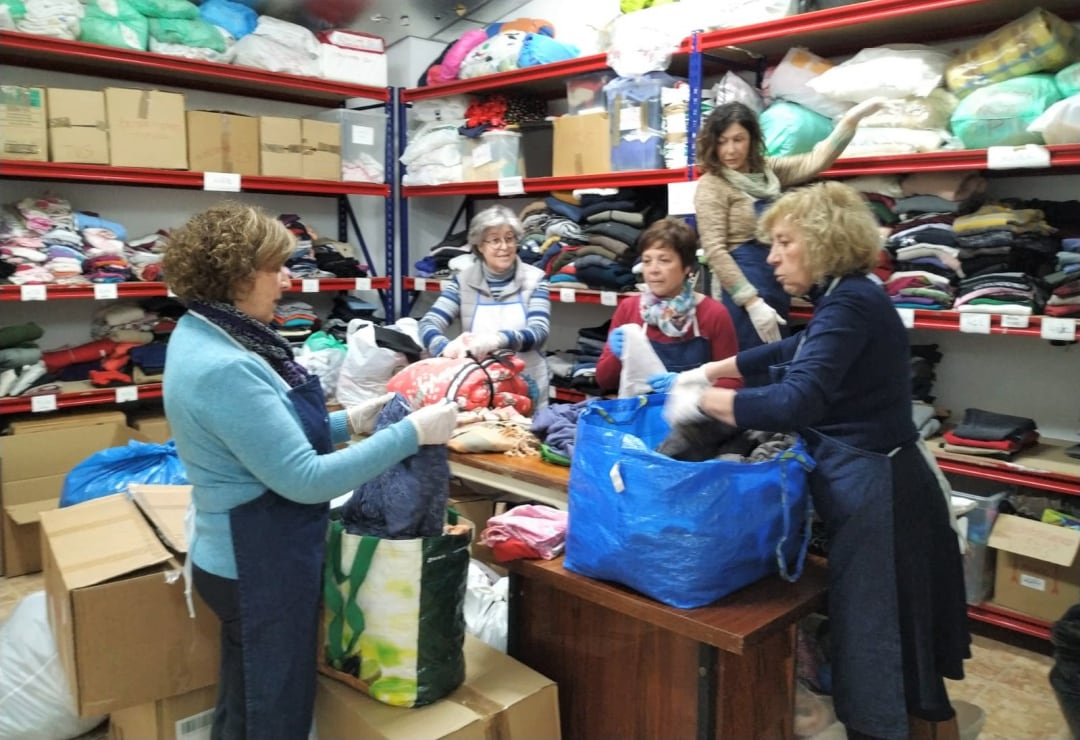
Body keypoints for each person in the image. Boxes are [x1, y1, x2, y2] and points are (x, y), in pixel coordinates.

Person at [660, 182, 970, 740]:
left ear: (822, 241)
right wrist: (709, 370)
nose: (772, 257)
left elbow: (794, 400)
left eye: (783, 242)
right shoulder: (849, 297)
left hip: (887, 502)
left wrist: (699, 401)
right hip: (880, 489)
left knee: (891, 657)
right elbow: (790, 349)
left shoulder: (852, 301)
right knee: (904, 662)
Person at [161, 202, 458, 740]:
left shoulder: (208, 333)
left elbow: (264, 437)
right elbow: (304, 478)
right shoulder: (227, 365)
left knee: (247, 700)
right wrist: (410, 434)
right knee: (272, 713)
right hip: (256, 566)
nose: (286, 279)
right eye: (274, 268)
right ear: (237, 275)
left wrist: (352, 421)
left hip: (241, 552)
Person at [694, 98, 884, 366]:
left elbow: (815, 162)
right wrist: (751, 302)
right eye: (722, 141)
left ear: (752, 138)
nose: (730, 150)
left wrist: (849, 122)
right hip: (741, 290)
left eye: (738, 139)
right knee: (749, 368)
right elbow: (714, 250)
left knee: (775, 365)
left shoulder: (768, 171)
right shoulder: (712, 185)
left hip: (775, 280)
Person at [418, 204, 551, 409]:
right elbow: (429, 322)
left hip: (527, 385)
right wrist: (443, 347)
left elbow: (539, 332)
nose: (504, 247)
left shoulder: (535, 279)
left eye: (509, 238)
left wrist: (497, 339)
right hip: (480, 387)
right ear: (480, 246)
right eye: (495, 240)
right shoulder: (462, 282)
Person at [595, 217, 741, 394]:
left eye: (664, 260)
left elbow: (733, 381)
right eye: (647, 261)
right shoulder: (629, 309)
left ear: (687, 267)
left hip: (695, 417)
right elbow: (604, 380)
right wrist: (615, 356)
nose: (653, 269)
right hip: (642, 416)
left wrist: (689, 387)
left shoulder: (713, 314)